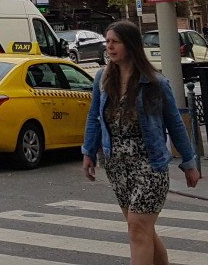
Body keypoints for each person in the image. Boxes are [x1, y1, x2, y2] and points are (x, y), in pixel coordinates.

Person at [83, 20, 200, 265]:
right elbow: (94, 117)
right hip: (117, 164)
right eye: (107, 42)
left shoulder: (155, 82)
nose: (109, 47)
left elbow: (175, 123)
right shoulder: (102, 79)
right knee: (142, 229)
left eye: (115, 42)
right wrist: (89, 152)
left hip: (149, 164)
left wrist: (190, 162)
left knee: (138, 227)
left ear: (131, 45)